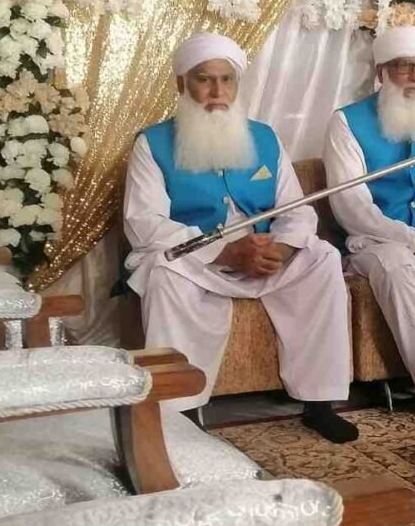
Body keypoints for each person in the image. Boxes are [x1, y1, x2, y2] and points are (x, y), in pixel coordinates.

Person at [123, 32, 357, 443]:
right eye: (204, 79)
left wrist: (282, 249)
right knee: (162, 275)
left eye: (226, 80)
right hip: (198, 261)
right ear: (181, 84)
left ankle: (320, 403)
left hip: (266, 256)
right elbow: (144, 223)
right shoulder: (151, 143)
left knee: (321, 259)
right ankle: (182, 414)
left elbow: (296, 209)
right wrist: (224, 252)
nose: (217, 92)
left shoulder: (264, 137)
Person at [323, 26, 415, 410]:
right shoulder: (346, 123)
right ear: (381, 72)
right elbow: (351, 206)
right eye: (404, 67)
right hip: (374, 243)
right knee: (397, 265)